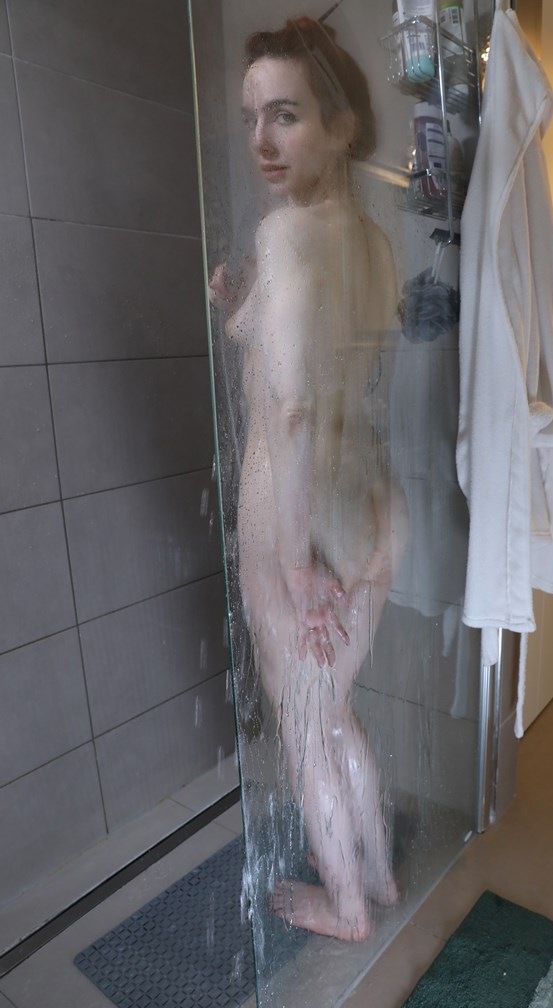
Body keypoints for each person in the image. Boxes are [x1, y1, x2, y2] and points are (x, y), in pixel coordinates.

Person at [209, 16, 407, 942]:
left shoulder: (288, 233)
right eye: (252, 117)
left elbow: (288, 409)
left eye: (284, 116)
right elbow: (317, 356)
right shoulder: (366, 240)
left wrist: (294, 565)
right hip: (367, 508)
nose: (261, 140)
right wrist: (241, 299)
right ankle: (378, 873)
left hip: (296, 519)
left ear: (339, 126)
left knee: (303, 730)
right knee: (338, 715)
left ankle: (346, 907)